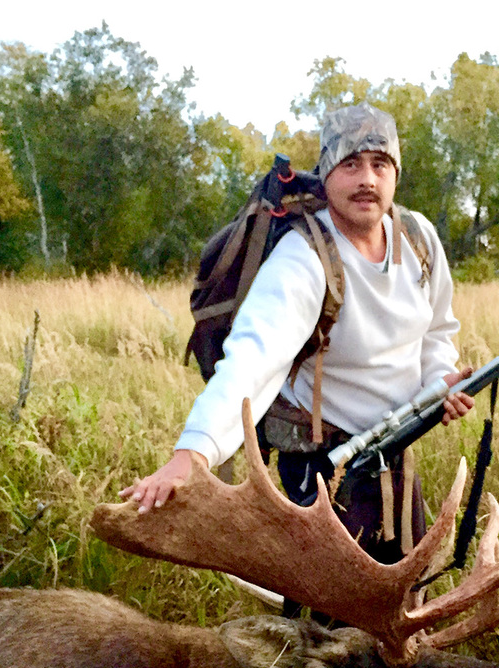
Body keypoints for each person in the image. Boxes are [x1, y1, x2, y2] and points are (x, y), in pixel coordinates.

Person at [122, 103, 473, 561]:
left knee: (406, 594)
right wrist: (192, 456)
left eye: (380, 164)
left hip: (395, 451)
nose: (367, 179)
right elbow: (251, 360)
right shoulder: (304, 257)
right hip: (323, 464)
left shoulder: (419, 238)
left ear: (395, 174)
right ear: (327, 175)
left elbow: (436, 332)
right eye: (351, 164)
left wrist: (437, 386)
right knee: (325, 621)